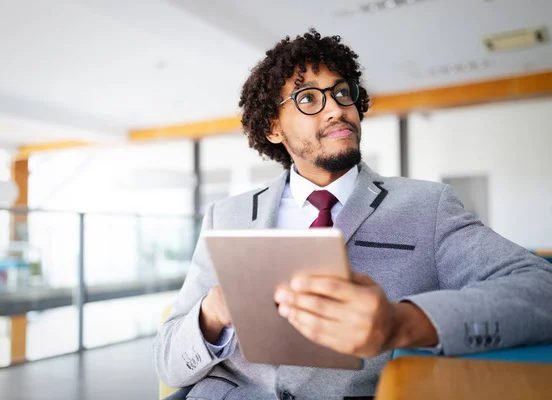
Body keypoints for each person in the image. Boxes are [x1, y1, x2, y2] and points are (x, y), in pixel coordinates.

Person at [153, 29, 552, 400]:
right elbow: (168, 360)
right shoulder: (227, 215)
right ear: (273, 128)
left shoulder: (427, 207)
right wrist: (212, 313)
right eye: (308, 98)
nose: (336, 110)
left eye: (342, 93)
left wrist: (403, 323)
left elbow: (542, 291)